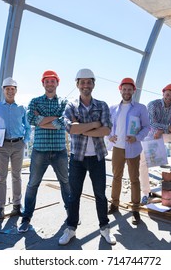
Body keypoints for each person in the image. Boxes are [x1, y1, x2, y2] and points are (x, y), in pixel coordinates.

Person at [58, 68, 116, 246]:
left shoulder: (102, 105)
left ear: (93, 84)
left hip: (97, 157)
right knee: (74, 195)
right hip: (77, 158)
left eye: (88, 82)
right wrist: (94, 125)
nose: (85, 85)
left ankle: (104, 228)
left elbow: (106, 130)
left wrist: (81, 127)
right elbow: (71, 129)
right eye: (82, 82)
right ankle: (71, 228)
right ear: (77, 84)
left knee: (100, 195)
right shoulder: (71, 106)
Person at [18, 70, 70, 233]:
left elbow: (64, 122)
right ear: (43, 84)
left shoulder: (64, 102)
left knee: (66, 183)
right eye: (46, 81)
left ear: (57, 83)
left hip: (59, 150)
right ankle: (26, 218)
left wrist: (42, 121)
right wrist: (54, 119)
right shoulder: (34, 101)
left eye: (52, 81)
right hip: (40, 150)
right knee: (33, 184)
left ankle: (72, 214)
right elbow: (31, 120)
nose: (49, 84)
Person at [0, 77, 31, 221]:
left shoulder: (22, 108)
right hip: (1, 146)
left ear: (16, 91)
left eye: (12, 89)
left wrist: (25, 141)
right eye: (7, 89)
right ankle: (0, 207)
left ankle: (17, 206)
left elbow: (28, 127)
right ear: (3, 91)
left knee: (17, 176)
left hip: (18, 145)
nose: (10, 91)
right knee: (1, 177)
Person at [107, 78, 149, 225]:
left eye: (129, 89)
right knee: (116, 176)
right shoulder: (113, 108)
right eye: (124, 89)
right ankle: (114, 204)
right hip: (118, 147)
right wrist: (109, 136)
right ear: (120, 90)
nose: (126, 92)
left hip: (133, 148)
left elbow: (146, 127)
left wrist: (136, 138)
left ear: (133, 91)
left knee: (134, 179)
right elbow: (107, 125)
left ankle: (135, 210)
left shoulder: (140, 108)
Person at [146, 83, 171, 174]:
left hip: (162, 133)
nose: (169, 97)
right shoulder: (153, 104)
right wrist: (166, 127)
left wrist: (162, 130)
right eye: (167, 94)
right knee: (144, 163)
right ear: (163, 93)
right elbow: (151, 123)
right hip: (149, 134)